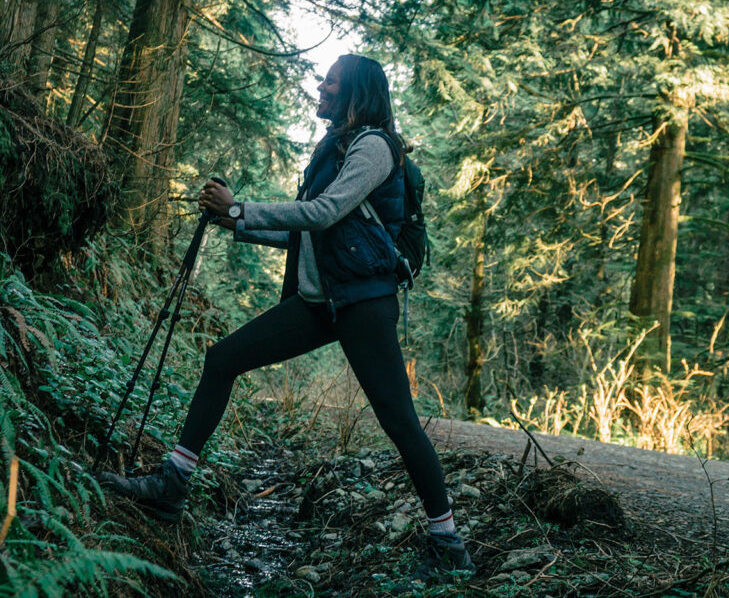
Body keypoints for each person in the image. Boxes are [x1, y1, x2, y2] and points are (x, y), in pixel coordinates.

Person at [97, 54, 474, 579]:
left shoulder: (373, 147)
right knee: (223, 358)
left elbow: (323, 213)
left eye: (331, 82)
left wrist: (241, 208)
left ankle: (447, 542)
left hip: (363, 306)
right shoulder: (334, 147)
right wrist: (236, 223)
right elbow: (310, 236)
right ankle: (172, 484)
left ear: (356, 94)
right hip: (323, 303)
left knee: (398, 420)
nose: (320, 87)